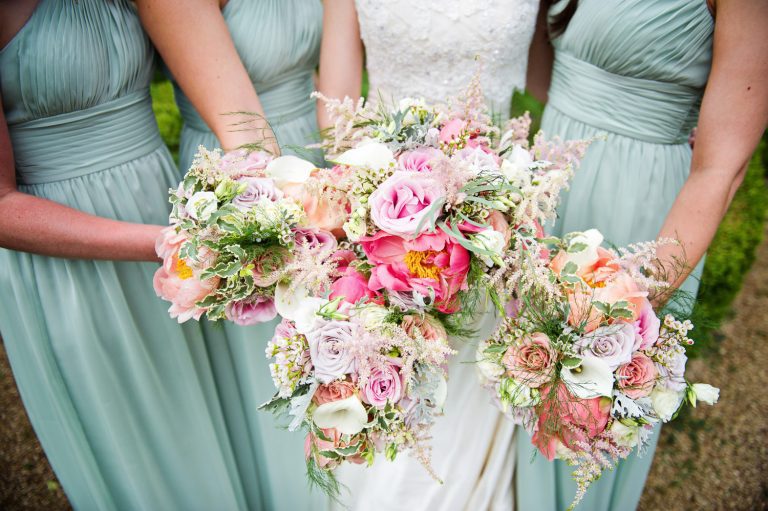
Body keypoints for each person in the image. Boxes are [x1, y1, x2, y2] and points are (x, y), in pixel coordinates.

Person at [0, 1, 264, 509]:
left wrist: (268, 203)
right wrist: (169, 243)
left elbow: (242, 121)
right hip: (72, 260)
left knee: (218, 421)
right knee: (151, 458)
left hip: (163, 205)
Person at [516, 1, 768, 509]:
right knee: (517, 386)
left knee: (585, 407)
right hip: (550, 183)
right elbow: (545, 71)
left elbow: (721, 169)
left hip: (636, 208)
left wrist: (629, 313)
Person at [317, 1, 539, 508]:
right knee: (391, 398)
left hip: (495, 226)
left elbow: (570, 62)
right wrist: (375, 209)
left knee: (475, 399)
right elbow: (336, 114)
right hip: (385, 228)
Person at [138, 1, 325, 509]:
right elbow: (246, 139)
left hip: (314, 154)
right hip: (243, 171)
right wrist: (287, 216)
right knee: (275, 359)